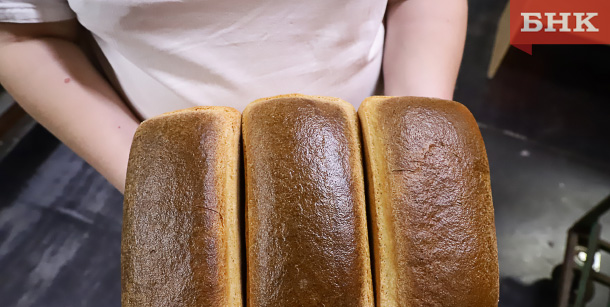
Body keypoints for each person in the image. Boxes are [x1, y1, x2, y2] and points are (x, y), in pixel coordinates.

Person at [0, 0, 467, 193]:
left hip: (366, 140)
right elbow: (23, 34)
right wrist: (149, 186)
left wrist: (416, 152)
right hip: (174, 168)